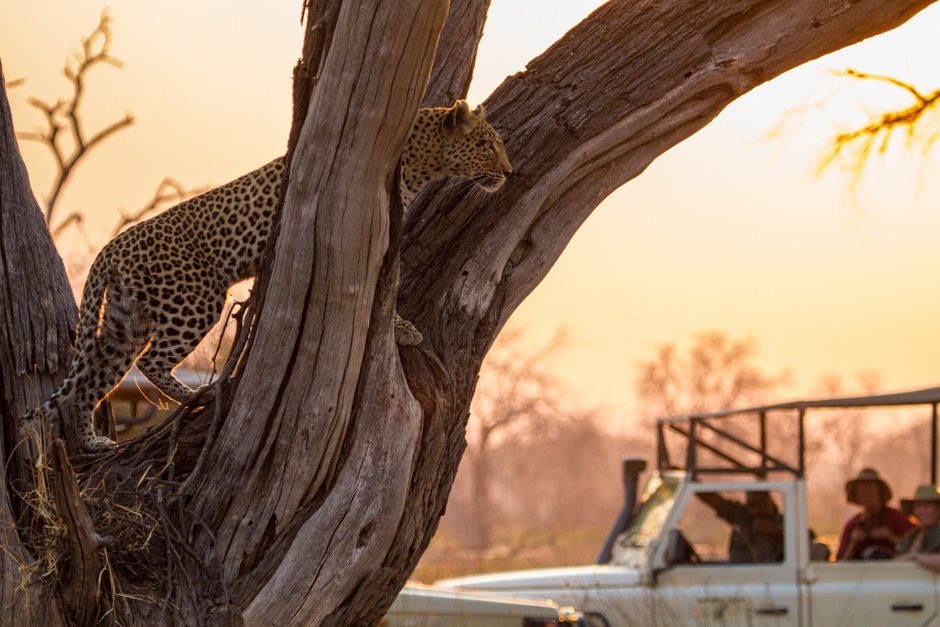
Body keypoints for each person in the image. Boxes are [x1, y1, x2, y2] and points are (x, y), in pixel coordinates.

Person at [836, 468, 914, 560]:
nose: (866, 494)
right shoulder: (852, 525)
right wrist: (853, 543)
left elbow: (917, 549)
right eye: (861, 490)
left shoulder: (895, 517)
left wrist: (889, 536)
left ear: (880, 492)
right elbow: (841, 564)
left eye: (870, 489)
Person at [697, 490, 784, 563]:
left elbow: (795, 544)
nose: (757, 510)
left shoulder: (784, 522)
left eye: (762, 504)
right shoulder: (740, 516)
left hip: (772, 577)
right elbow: (713, 500)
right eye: (752, 505)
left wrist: (777, 532)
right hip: (738, 575)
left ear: (771, 503)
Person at [896, 485, 940, 572]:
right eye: (918, 506)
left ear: (938, 509)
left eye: (927, 506)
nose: (922, 511)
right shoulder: (908, 536)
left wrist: (914, 557)